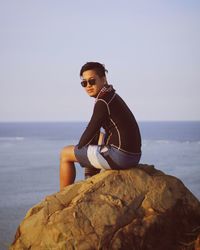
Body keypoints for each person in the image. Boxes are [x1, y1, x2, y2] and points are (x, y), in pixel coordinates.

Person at [60, 62, 142, 190]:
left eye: (92, 81)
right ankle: (90, 180)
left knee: (65, 153)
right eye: (84, 83)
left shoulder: (102, 102)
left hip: (121, 157)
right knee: (100, 136)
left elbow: (89, 132)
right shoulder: (111, 95)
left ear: (103, 79)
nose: (88, 86)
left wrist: (79, 149)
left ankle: (62, 195)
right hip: (133, 156)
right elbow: (96, 131)